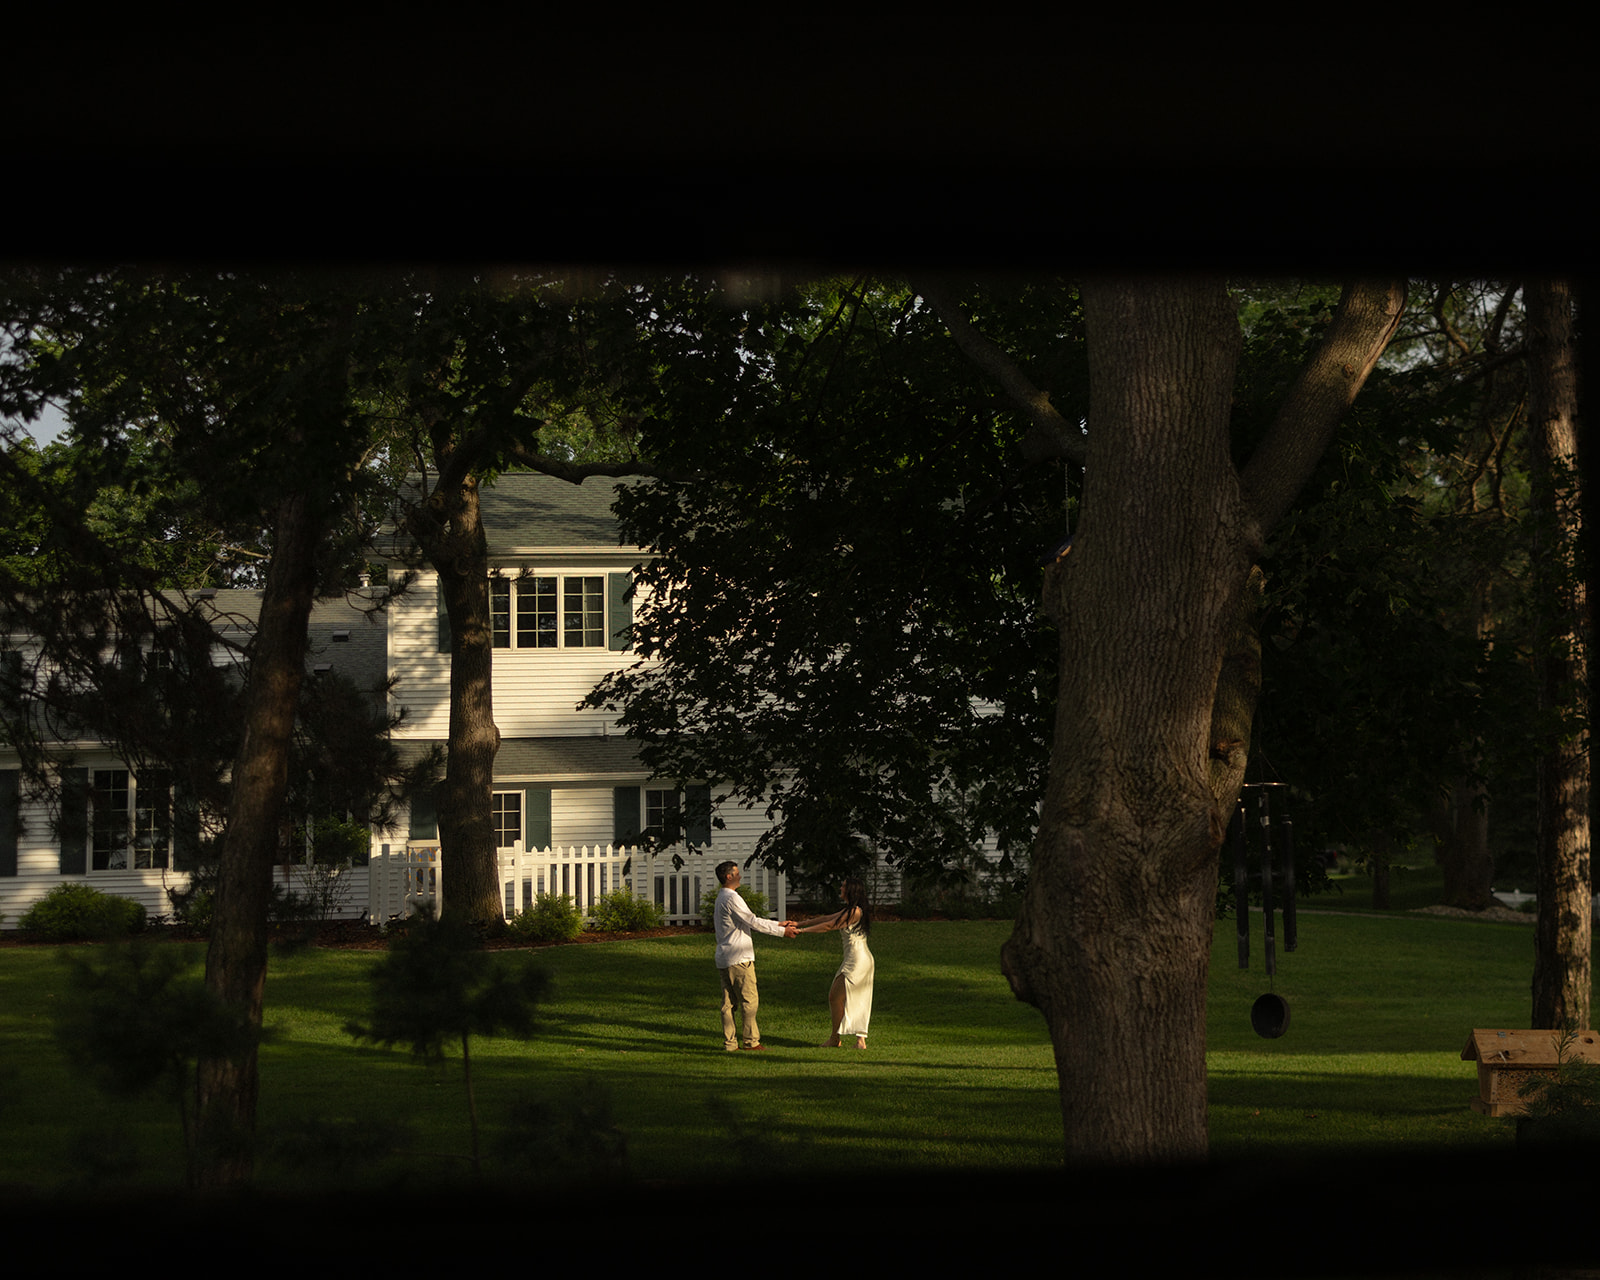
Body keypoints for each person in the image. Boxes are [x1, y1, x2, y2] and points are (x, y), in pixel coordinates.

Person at [714, 860, 796, 1051]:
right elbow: (752, 922)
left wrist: (778, 924)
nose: (739, 876)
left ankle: (730, 1043)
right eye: (736, 873)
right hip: (739, 958)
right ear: (729, 877)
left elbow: (751, 920)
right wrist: (782, 932)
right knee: (749, 1001)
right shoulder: (732, 898)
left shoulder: (721, 897)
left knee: (728, 1003)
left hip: (724, 957)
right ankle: (751, 1042)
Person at [795, 877, 874, 1049]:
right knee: (849, 997)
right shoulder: (850, 910)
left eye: (843, 886)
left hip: (857, 959)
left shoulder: (855, 912)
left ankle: (836, 1039)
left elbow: (830, 926)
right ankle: (856, 1041)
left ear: (851, 890)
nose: (840, 888)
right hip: (857, 958)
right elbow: (826, 918)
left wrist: (802, 931)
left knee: (836, 996)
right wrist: (798, 923)